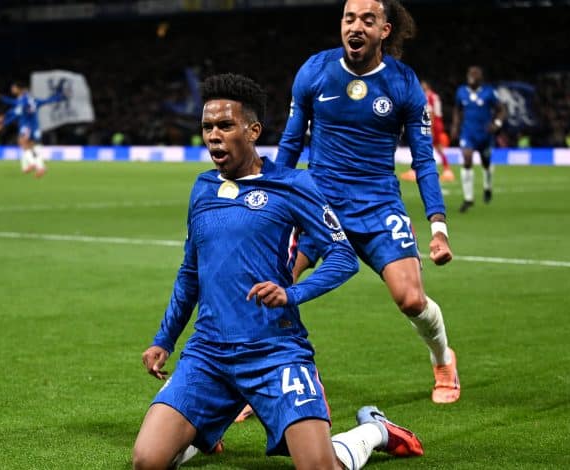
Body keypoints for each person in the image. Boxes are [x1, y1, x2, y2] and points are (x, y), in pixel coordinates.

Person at [131, 73, 424, 470]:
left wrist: (291, 293)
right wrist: (164, 338)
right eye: (207, 127)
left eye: (225, 125)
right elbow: (190, 273)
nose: (213, 136)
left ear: (252, 131)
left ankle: (374, 430)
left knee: (318, 468)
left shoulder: (293, 185)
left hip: (274, 352)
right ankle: (206, 427)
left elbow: (342, 257)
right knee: (147, 461)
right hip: (209, 353)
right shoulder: (202, 189)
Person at [275, 0, 460, 406]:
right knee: (273, 286)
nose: (355, 27)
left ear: (384, 31)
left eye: (367, 20)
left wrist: (439, 228)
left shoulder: (403, 83)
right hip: (318, 203)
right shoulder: (315, 71)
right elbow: (290, 144)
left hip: (378, 205)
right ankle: (271, 380)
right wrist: (272, 207)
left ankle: (443, 359)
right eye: (348, 18)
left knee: (411, 299)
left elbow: (424, 160)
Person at [450, 66, 506, 213]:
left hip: (485, 134)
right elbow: (457, 109)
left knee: (486, 163)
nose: (472, 76)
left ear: (481, 77)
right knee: (467, 159)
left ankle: (487, 186)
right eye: (470, 73)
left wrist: (497, 123)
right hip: (468, 133)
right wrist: (455, 126)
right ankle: (468, 198)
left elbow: (501, 109)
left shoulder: (489, 92)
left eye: (476, 74)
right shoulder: (461, 92)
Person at [0, 80, 64, 178]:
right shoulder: (33, 100)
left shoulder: (22, 100)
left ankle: (33, 163)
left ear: (20, 89)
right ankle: (40, 167)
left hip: (26, 126)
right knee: (31, 147)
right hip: (35, 126)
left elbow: (14, 111)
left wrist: (2, 123)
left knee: (23, 143)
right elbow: (48, 100)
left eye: (14, 87)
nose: (12, 89)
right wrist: (59, 96)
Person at [401, 80, 454, 182]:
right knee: (437, 147)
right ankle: (447, 169)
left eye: (423, 85)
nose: (421, 86)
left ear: (427, 86)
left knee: (420, 145)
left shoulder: (428, 96)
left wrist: (430, 127)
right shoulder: (434, 95)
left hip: (432, 124)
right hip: (438, 123)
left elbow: (430, 112)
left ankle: (415, 170)